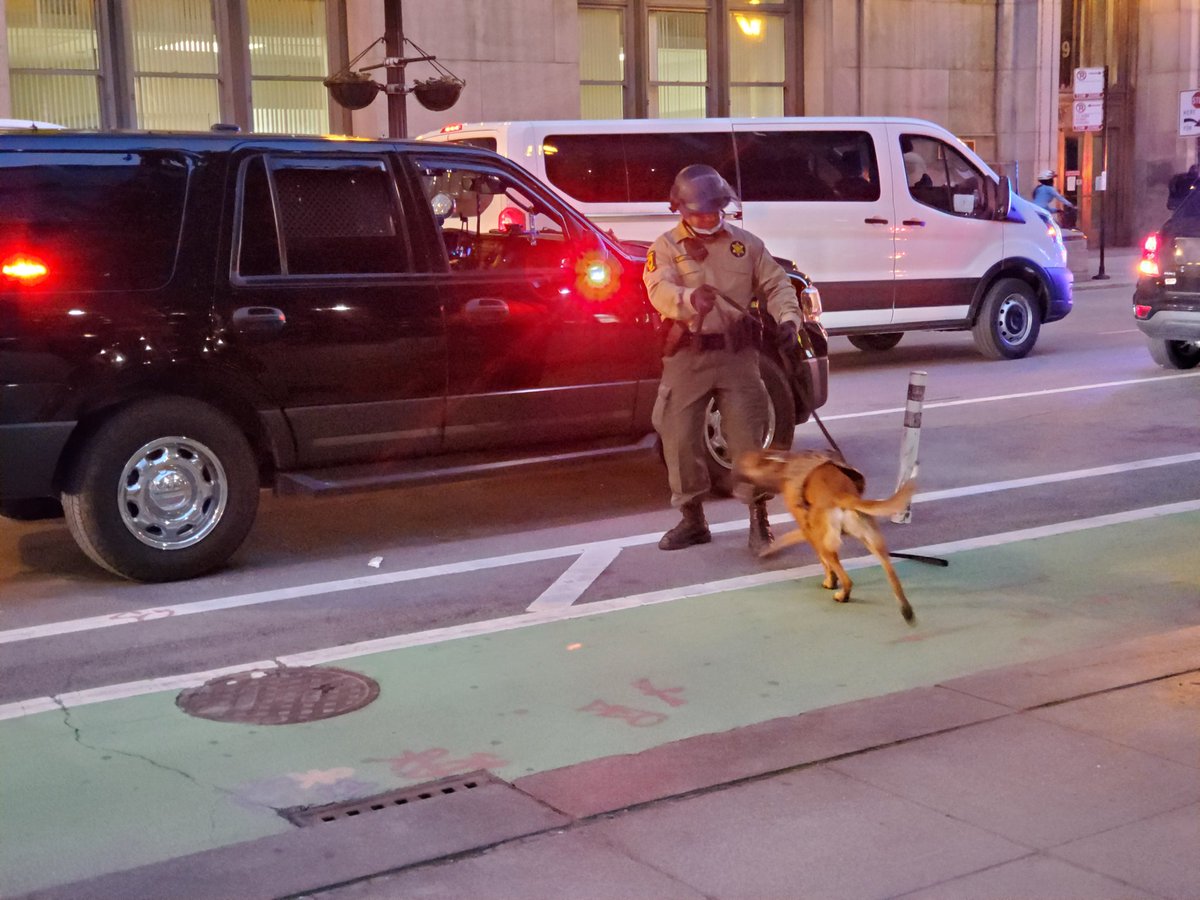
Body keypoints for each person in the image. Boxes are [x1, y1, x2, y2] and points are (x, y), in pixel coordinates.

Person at [643, 164, 805, 554]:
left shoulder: (747, 244)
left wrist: (788, 320)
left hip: (737, 354)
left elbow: (776, 283)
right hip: (688, 354)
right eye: (698, 211)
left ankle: (758, 519)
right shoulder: (665, 247)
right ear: (679, 209)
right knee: (679, 438)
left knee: (749, 440)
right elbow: (657, 286)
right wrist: (686, 300)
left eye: (714, 209)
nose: (707, 217)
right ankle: (692, 520)